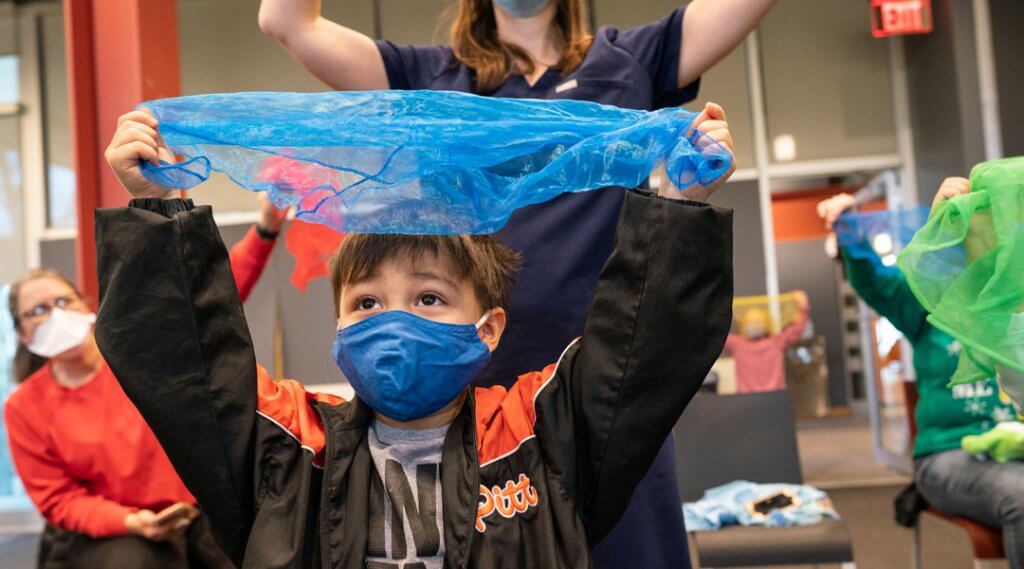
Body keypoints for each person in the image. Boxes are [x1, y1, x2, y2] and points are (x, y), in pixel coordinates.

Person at [92, 102, 734, 568]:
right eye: (367, 302)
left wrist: (677, 208)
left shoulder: (544, 438)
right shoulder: (288, 449)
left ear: (489, 327)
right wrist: (155, 208)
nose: (394, 321)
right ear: (338, 325)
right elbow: (187, 367)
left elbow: (639, 353)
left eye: (429, 297)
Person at [257, 0, 773, 564]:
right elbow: (286, 23)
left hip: (607, 395)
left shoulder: (631, 60)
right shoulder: (430, 77)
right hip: (477, 416)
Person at [3, 196, 287, 568]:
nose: (55, 315)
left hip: (192, 512)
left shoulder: (137, 355)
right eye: (37, 311)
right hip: (113, 532)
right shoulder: (25, 407)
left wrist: (265, 230)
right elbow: (59, 498)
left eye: (63, 301)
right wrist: (128, 521)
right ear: (22, 334)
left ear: (87, 306)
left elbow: (207, 302)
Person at [818, 181, 1024, 565]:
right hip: (947, 456)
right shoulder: (936, 301)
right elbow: (875, 282)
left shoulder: (1017, 303)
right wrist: (848, 226)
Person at [724, 291, 810, 393]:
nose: (754, 325)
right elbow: (798, 326)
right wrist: (802, 305)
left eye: (757, 321)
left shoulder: (737, 344)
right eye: (751, 322)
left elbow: (715, 334)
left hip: (752, 399)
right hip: (770, 398)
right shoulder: (776, 341)